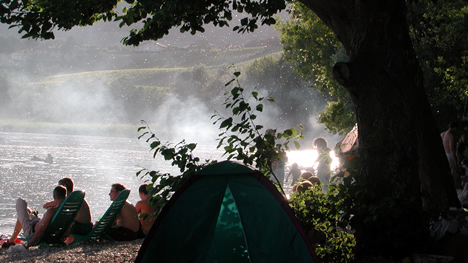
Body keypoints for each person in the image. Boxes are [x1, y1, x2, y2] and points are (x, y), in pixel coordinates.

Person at [441, 122, 460, 189]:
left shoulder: (442, 134)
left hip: (445, 155)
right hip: (450, 156)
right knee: (453, 173)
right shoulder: (451, 136)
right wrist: (456, 162)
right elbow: (452, 150)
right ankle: (455, 188)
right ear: (455, 128)